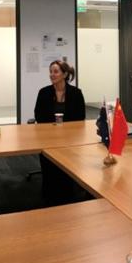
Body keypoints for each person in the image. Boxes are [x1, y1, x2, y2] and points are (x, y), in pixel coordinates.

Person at [33, 60, 86, 205]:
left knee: (67, 170)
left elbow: (80, 117)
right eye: (50, 72)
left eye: (55, 71)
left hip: (70, 139)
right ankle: (49, 196)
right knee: (50, 171)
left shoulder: (76, 93)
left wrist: (65, 129)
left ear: (65, 74)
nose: (52, 74)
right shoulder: (44, 93)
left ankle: (68, 195)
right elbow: (38, 115)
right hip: (48, 138)